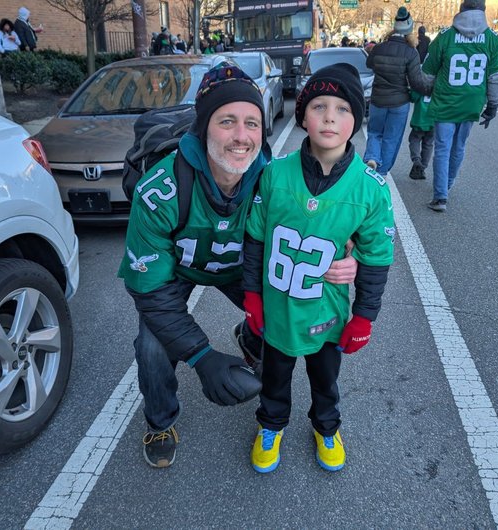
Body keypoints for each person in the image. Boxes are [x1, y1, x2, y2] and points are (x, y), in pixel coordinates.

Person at [118, 63, 357, 469]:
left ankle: (249, 338)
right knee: (152, 346)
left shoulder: (274, 178)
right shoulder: (161, 189)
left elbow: (322, 221)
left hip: (239, 270)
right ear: (203, 128)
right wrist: (200, 356)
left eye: (251, 123)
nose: (242, 136)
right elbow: (150, 291)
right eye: (227, 121)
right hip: (179, 271)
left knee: (279, 321)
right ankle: (160, 421)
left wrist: (347, 252)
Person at [242, 64, 394, 473]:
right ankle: (271, 424)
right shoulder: (274, 174)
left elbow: (377, 255)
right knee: (275, 376)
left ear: (356, 121)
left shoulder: (368, 188)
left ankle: (326, 427)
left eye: (343, 109)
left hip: (326, 310)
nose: (330, 116)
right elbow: (256, 237)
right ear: (302, 114)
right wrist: (251, 295)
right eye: (319, 106)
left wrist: (364, 316)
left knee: (325, 379)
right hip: (277, 308)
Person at [422, 0, 498, 212]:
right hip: (472, 102)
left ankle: (440, 196)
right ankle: (447, 186)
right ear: (483, 11)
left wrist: (427, 91)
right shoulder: (492, 39)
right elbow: (496, 76)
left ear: (461, 10)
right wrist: (493, 104)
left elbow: (428, 71)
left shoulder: (446, 35)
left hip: (446, 100)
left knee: (442, 147)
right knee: (459, 146)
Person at [362, 7, 433, 176]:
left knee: (374, 132)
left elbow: (369, 64)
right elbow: (417, 82)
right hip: (399, 103)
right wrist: (432, 85)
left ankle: (372, 157)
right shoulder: (411, 52)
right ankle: (382, 172)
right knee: (391, 139)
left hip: (378, 100)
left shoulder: (379, 48)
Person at [407, 90, 433, 180]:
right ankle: (423, 167)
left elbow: (413, 97)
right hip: (434, 119)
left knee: (414, 139)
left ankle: (416, 159)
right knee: (428, 144)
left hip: (420, 118)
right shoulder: (441, 82)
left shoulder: (421, 84)